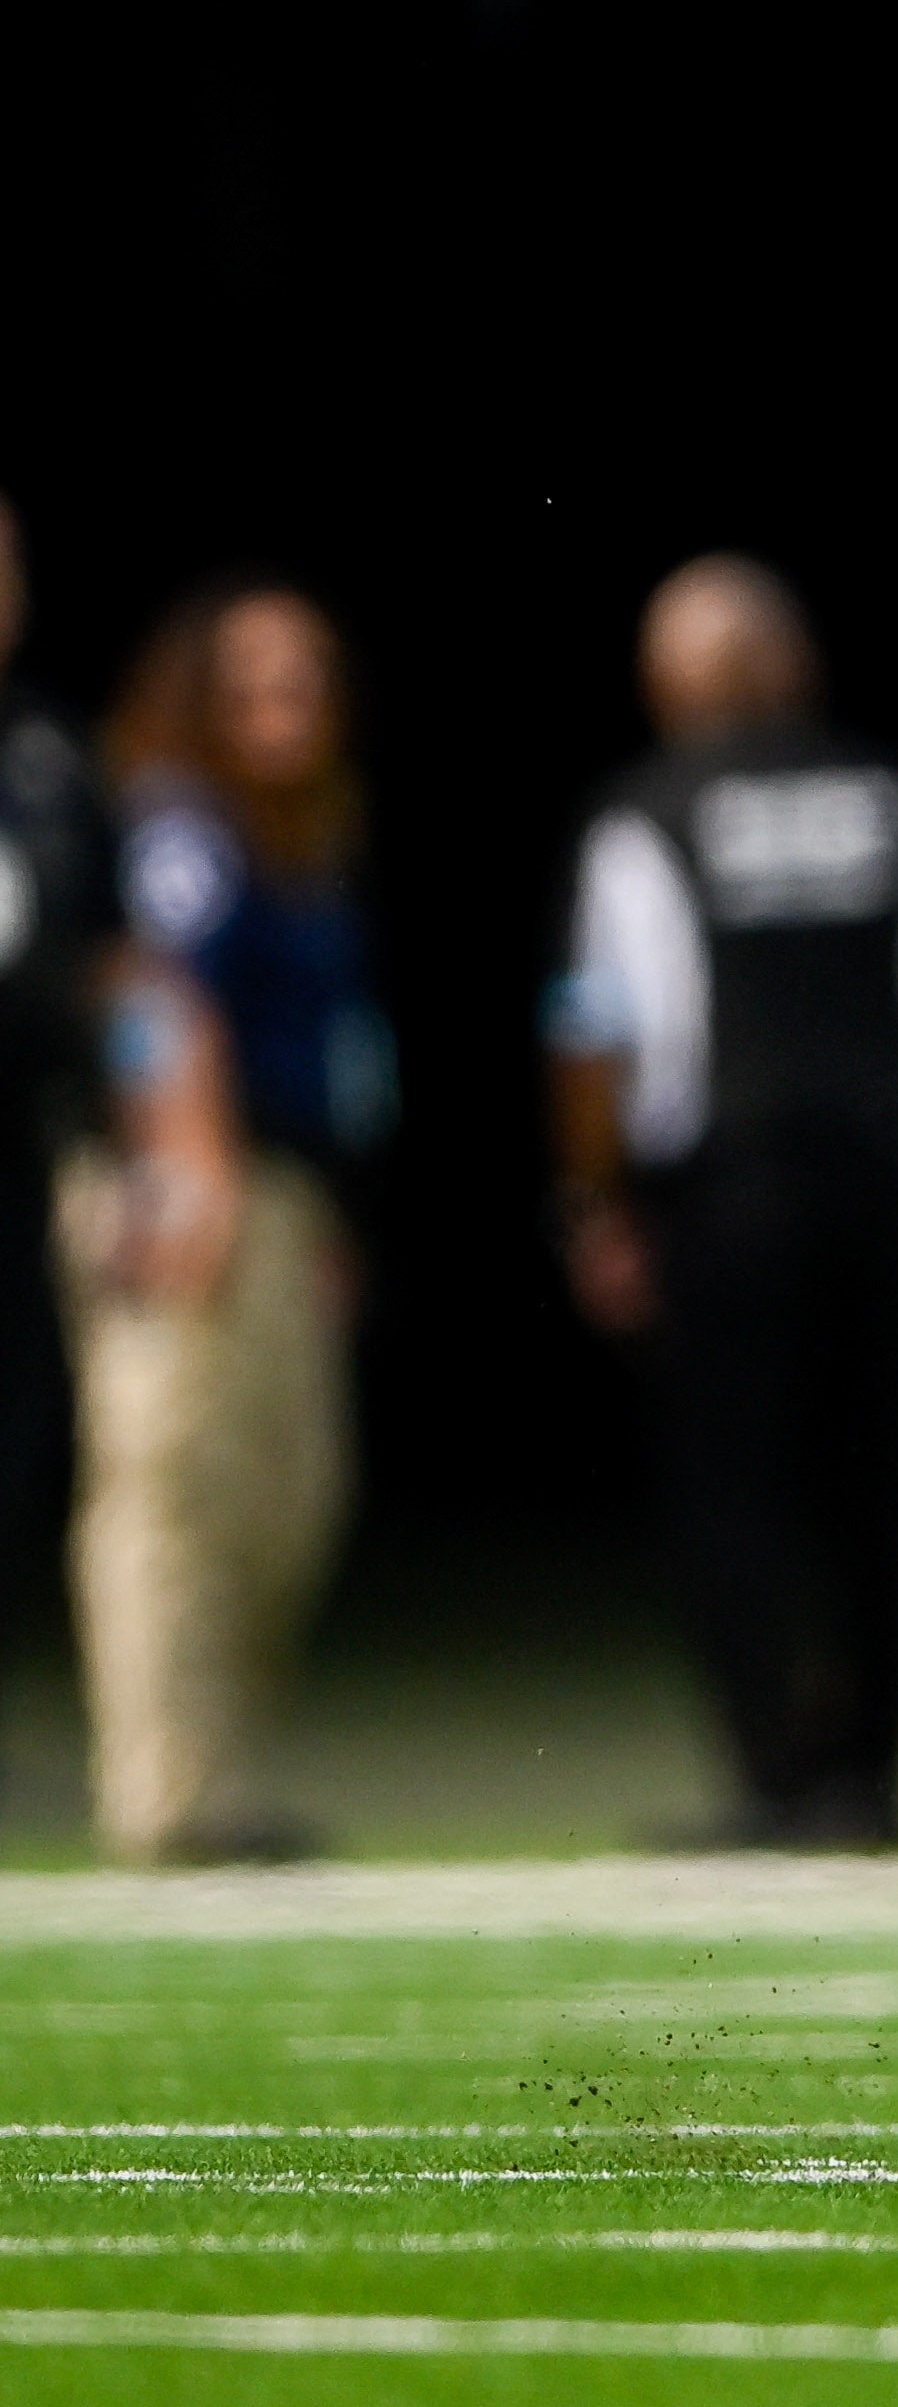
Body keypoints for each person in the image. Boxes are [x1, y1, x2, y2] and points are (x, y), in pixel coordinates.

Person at [548, 556, 898, 1848]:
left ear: (666, 684)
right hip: (879, 1182)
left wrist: (598, 1203)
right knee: (882, 1479)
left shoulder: (648, 811)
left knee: (733, 1485)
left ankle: (771, 1774)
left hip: (729, 1195)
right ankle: (873, 1774)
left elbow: (600, 1027)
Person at [68, 585, 389, 1865]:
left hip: (279, 1193)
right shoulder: (182, 826)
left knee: (291, 1497)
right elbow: (149, 992)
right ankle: (165, 1798)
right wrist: (184, 1167)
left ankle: (215, 1778)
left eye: (308, 677)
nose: (287, 705)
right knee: (172, 1493)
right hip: (194, 1183)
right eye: (256, 680)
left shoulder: (306, 832)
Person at [0, 499, 125, 1806]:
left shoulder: (49, 754)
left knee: (26, 1446)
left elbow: (115, 963)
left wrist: (137, 1142)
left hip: (24, 1165)